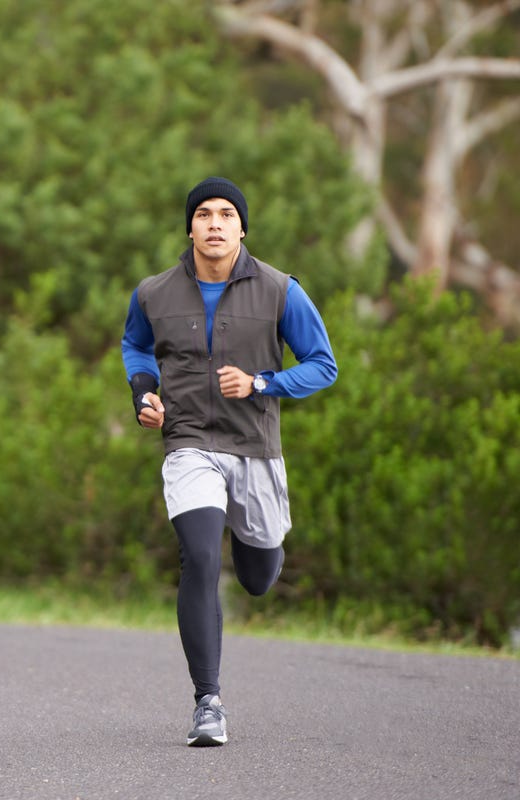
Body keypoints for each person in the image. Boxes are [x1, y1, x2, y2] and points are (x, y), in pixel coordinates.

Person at [120, 177, 337, 747]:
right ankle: (207, 703)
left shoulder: (280, 291)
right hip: (188, 441)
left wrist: (264, 382)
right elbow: (136, 346)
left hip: (255, 449)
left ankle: (257, 545)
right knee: (198, 557)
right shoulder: (154, 293)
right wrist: (144, 393)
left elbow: (323, 363)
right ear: (189, 227)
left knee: (259, 576)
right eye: (204, 215)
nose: (215, 224)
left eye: (226, 215)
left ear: (242, 227)